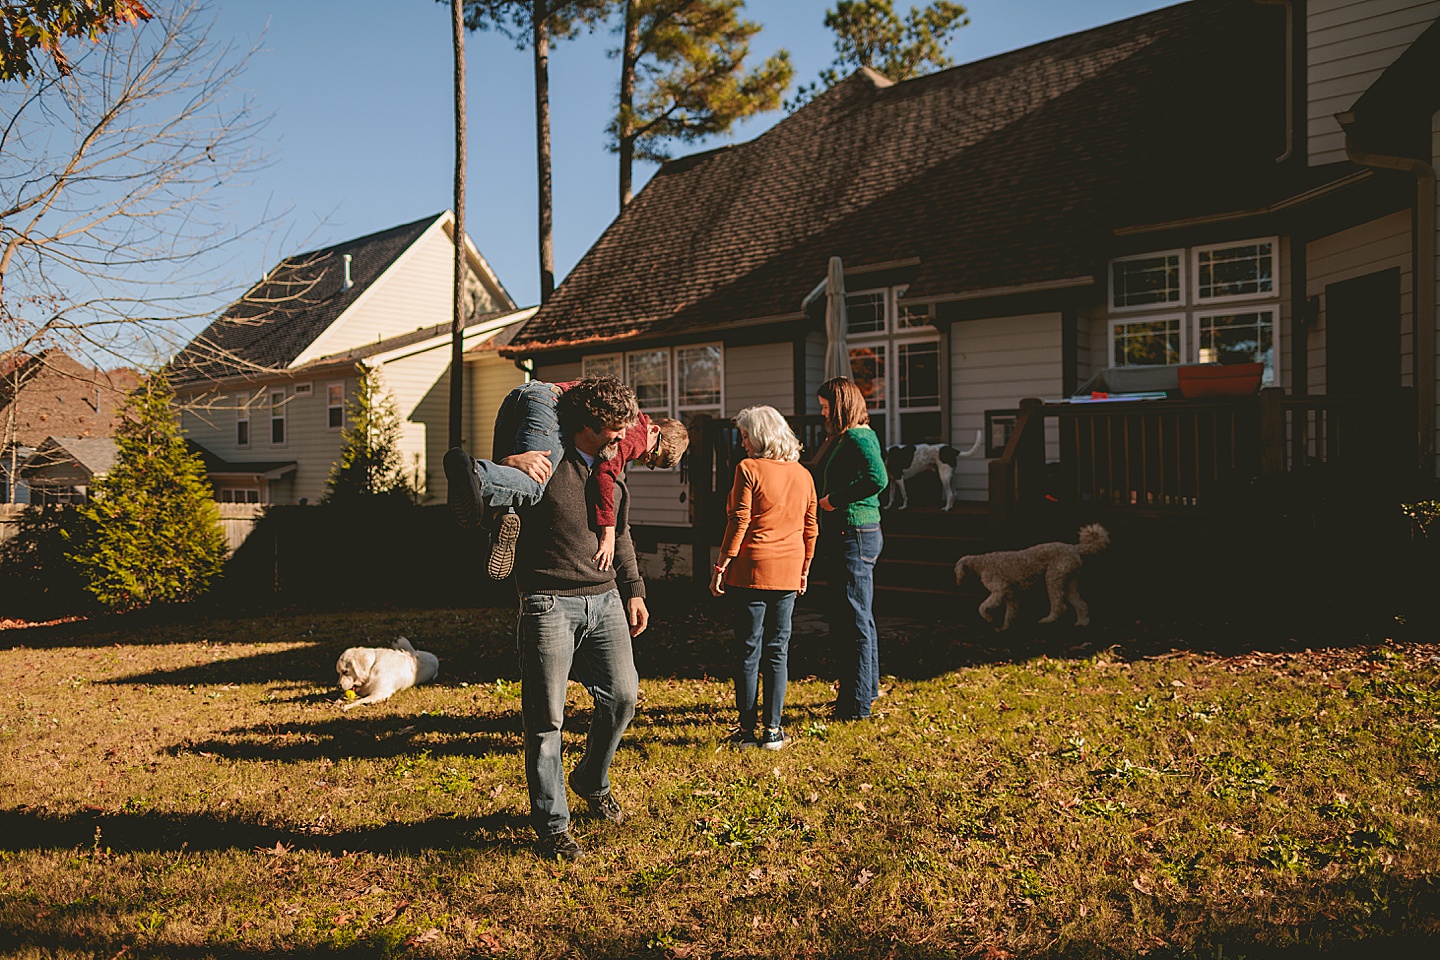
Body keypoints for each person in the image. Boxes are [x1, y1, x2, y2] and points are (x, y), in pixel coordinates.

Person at [509, 376, 650, 861]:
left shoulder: (613, 464)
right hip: (549, 601)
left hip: (606, 599)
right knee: (546, 718)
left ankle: (591, 777)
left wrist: (634, 590)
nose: (620, 437)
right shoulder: (544, 460)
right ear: (588, 424)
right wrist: (509, 463)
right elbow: (489, 496)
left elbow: (622, 530)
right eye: (613, 429)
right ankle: (552, 825)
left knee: (624, 697)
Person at [444, 380, 688, 579]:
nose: (646, 459)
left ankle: (500, 513)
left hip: (519, 397)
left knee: (515, 476)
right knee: (536, 483)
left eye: (653, 464)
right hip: (546, 402)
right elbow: (604, 475)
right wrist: (608, 531)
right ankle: (477, 473)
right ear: (654, 431)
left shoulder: (625, 421)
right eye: (655, 453)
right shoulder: (633, 433)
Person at [710, 405, 818, 751]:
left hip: (751, 570)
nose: (742, 444)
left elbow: (739, 520)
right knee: (778, 650)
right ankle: (773, 730)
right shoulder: (803, 474)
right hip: (788, 571)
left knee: (748, 649)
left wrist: (721, 564)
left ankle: (746, 731)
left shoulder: (749, 469)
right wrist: (804, 569)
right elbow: (810, 527)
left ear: (759, 437)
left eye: (745, 436)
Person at [814, 376, 887, 722]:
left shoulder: (858, 436)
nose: (823, 413)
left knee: (852, 618)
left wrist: (833, 500)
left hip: (853, 529)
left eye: (826, 407)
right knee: (860, 615)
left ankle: (856, 706)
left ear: (840, 405)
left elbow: (878, 478)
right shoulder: (856, 436)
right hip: (858, 530)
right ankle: (865, 690)